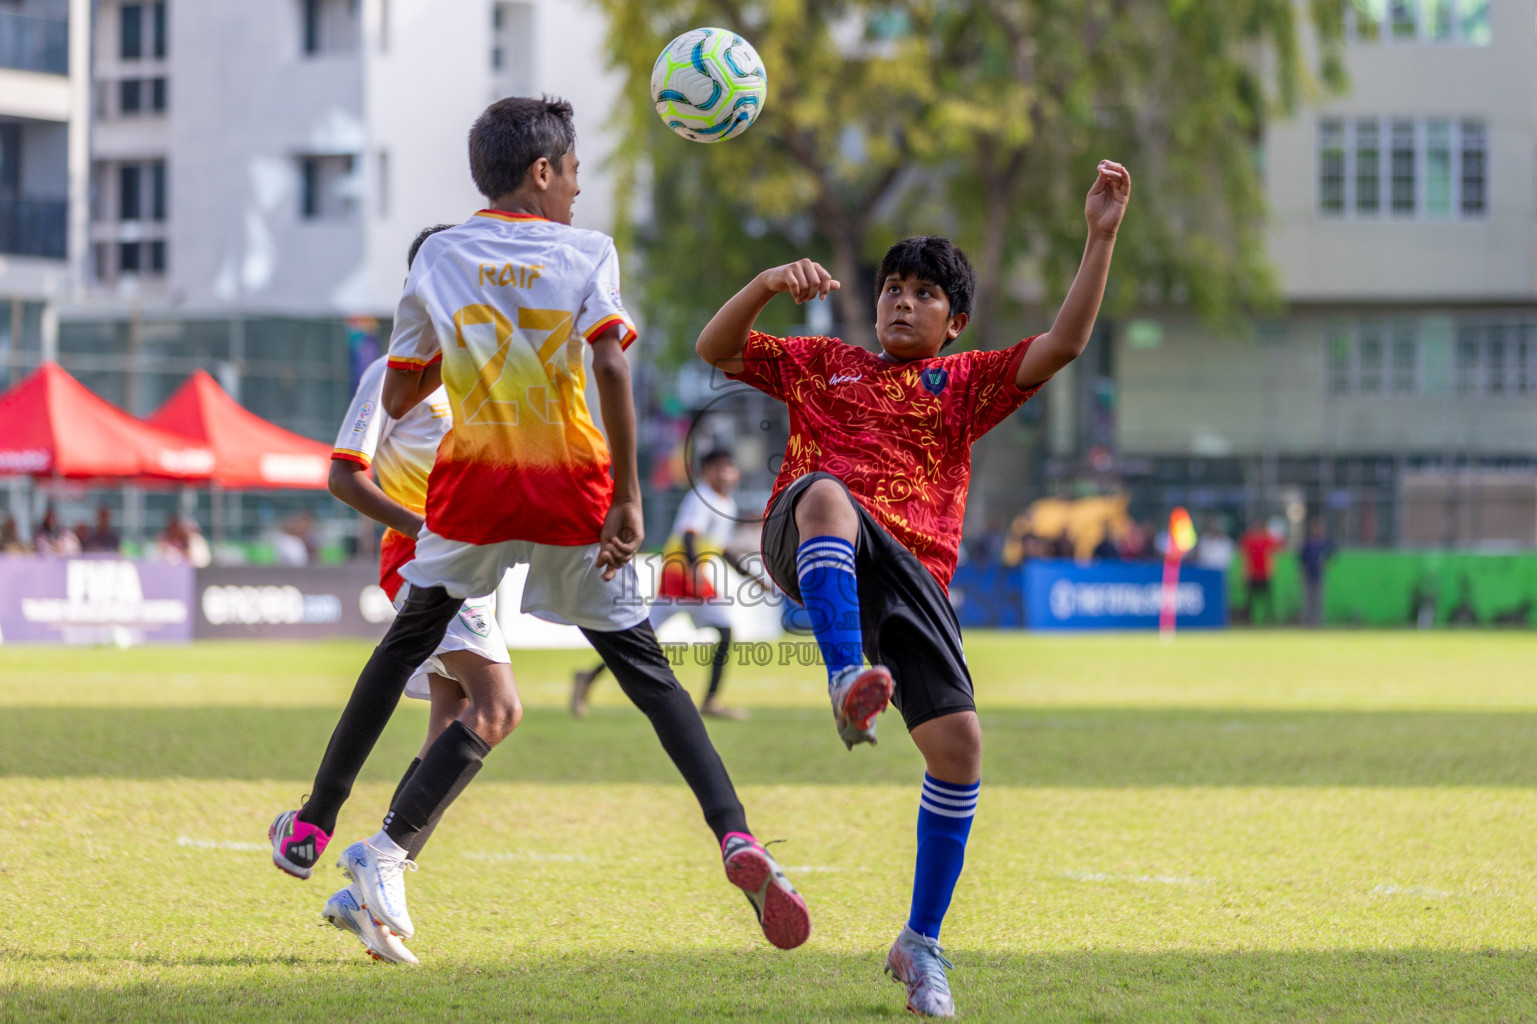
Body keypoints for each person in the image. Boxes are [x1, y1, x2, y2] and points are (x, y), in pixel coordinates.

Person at [268, 96, 809, 959]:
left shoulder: (440, 255)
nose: (579, 191)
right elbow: (609, 364)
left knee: (401, 648)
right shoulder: (588, 251)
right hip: (571, 495)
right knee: (650, 678)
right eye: (575, 173)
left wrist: (478, 342)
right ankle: (734, 834)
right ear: (543, 172)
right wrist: (628, 498)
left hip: (474, 498)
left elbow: (404, 391)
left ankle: (316, 823)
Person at [695, 160, 1130, 1017]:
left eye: (923, 293)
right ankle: (841, 676)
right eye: (892, 286)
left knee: (960, 747)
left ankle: (919, 943)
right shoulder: (822, 361)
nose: (900, 300)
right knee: (826, 492)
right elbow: (715, 349)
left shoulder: (964, 386)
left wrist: (1100, 235)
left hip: (911, 579)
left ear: (954, 322)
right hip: (809, 528)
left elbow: (1067, 343)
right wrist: (765, 282)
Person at [301, 223, 513, 964]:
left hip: (468, 563)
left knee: (455, 716)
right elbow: (341, 474)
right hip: (421, 559)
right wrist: (422, 525)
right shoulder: (392, 372)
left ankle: (368, 899)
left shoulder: (483, 373)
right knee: (499, 708)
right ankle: (381, 854)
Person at [570, 448, 755, 720]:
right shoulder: (702, 496)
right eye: (720, 467)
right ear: (706, 471)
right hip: (679, 576)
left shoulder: (726, 503)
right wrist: (693, 570)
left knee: (716, 633)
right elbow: (689, 536)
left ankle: (590, 676)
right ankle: (710, 701)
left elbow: (723, 549)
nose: (727, 473)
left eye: (730, 467)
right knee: (653, 639)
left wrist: (753, 578)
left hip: (691, 577)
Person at [1239, 519, 1283, 624]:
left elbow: (1275, 553)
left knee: (1267, 598)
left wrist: (1272, 568)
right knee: (1250, 599)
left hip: (1264, 573)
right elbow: (1246, 557)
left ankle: (1268, 618)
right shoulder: (1249, 540)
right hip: (1253, 573)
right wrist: (1245, 572)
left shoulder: (1268, 539)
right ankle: (1248, 619)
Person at [1299, 517, 1335, 627]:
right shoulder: (1308, 542)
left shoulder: (1324, 542)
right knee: (1307, 599)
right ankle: (1307, 621)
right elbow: (1301, 558)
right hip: (1308, 574)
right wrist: (1302, 571)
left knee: (1319, 598)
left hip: (1319, 575)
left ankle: (1318, 622)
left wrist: (1326, 563)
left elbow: (1332, 553)